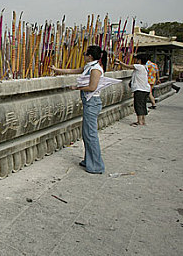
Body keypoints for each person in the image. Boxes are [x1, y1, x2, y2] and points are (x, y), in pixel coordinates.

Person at [50, 45, 107, 174]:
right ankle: (89, 161)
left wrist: (76, 88)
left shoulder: (96, 69)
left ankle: (97, 166)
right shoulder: (89, 66)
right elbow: (74, 70)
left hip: (92, 103)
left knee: (91, 134)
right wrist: (57, 69)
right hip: (88, 103)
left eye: (85, 54)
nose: (84, 56)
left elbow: (92, 87)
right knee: (86, 134)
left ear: (90, 56)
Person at [115, 54, 150, 126]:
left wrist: (119, 62)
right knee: (143, 105)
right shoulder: (145, 67)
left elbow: (128, 66)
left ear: (139, 60)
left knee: (138, 105)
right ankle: (143, 120)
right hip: (145, 89)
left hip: (139, 89)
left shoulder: (139, 66)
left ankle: (139, 121)